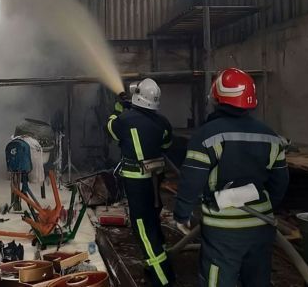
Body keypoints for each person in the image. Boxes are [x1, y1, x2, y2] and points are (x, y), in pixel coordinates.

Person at [173, 68, 289, 287]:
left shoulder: (206, 135)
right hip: (261, 225)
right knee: (257, 280)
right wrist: (265, 206)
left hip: (223, 230)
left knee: (219, 280)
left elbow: (191, 181)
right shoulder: (271, 136)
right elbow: (280, 182)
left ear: (217, 98)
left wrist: (182, 214)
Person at [107, 78, 175, 286]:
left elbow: (111, 128)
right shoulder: (163, 122)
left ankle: (163, 279)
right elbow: (167, 144)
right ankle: (156, 262)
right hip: (155, 180)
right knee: (153, 221)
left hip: (136, 182)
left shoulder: (124, 119)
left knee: (142, 228)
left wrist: (118, 110)